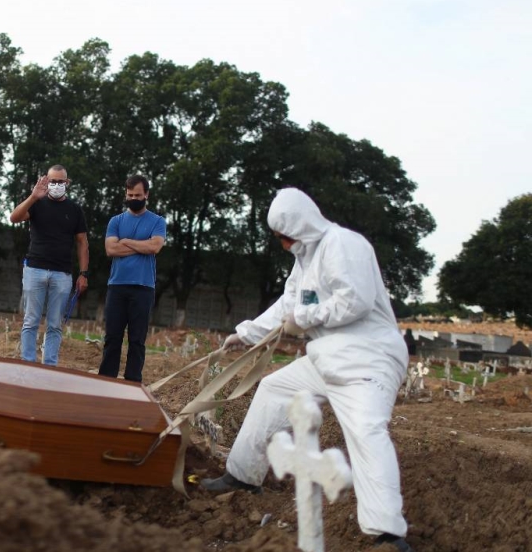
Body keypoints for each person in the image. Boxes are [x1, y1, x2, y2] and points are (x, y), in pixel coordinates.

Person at [201, 188, 413, 552]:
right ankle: (242, 476)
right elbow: (287, 307)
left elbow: (355, 300)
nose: (283, 244)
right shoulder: (304, 259)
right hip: (326, 359)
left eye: (285, 236)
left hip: (368, 359)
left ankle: (389, 536)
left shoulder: (344, 244)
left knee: (365, 430)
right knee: (273, 390)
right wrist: (244, 334)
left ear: (301, 225)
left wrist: (304, 318)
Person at [9, 165, 88, 365]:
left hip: (62, 274)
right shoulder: (37, 204)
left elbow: (82, 243)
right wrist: (33, 196)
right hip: (35, 269)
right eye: (53, 181)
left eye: (61, 181)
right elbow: (14, 217)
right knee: (31, 320)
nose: (56, 185)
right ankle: (27, 363)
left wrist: (83, 273)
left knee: (55, 324)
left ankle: (49, 365)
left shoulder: (75, 210)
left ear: (67, 183)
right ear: (46, 181)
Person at [98, 175, 166, 383]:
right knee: (112, 338)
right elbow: (110, 249)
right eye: (130, 195)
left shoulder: (157, 221)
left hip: (143, 288)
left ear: (146, 194)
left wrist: (126, 242)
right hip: (117, 286)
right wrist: (140, 245)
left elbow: (154, 247)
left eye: (137, 195)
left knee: (137, 340)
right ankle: (106, 380)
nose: (133, 198)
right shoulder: (115, 221)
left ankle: (132, 382)